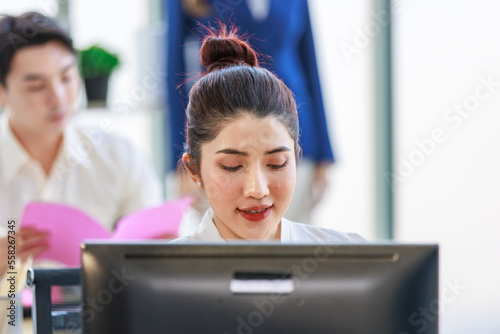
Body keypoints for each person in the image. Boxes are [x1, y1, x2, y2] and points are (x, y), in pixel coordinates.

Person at [0, 12, 163, 275]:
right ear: (2, 92)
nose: (58, 97)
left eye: (66, 77)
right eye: (36, 86)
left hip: (102, 314)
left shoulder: (119, 156)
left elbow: (155, 251)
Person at [175, 25, 363, 242]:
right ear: (193, 170)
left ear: (296, 158)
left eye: (277, 163)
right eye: (232, 166)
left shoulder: (349, 259)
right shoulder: (160, 274)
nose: (257, 190)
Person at [167, 0, 335, 225]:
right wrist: (179, 161)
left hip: (294, 133)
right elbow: (174, 72)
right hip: (220, 131)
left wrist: (324, 154)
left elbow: (310, 66)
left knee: (290, 244)